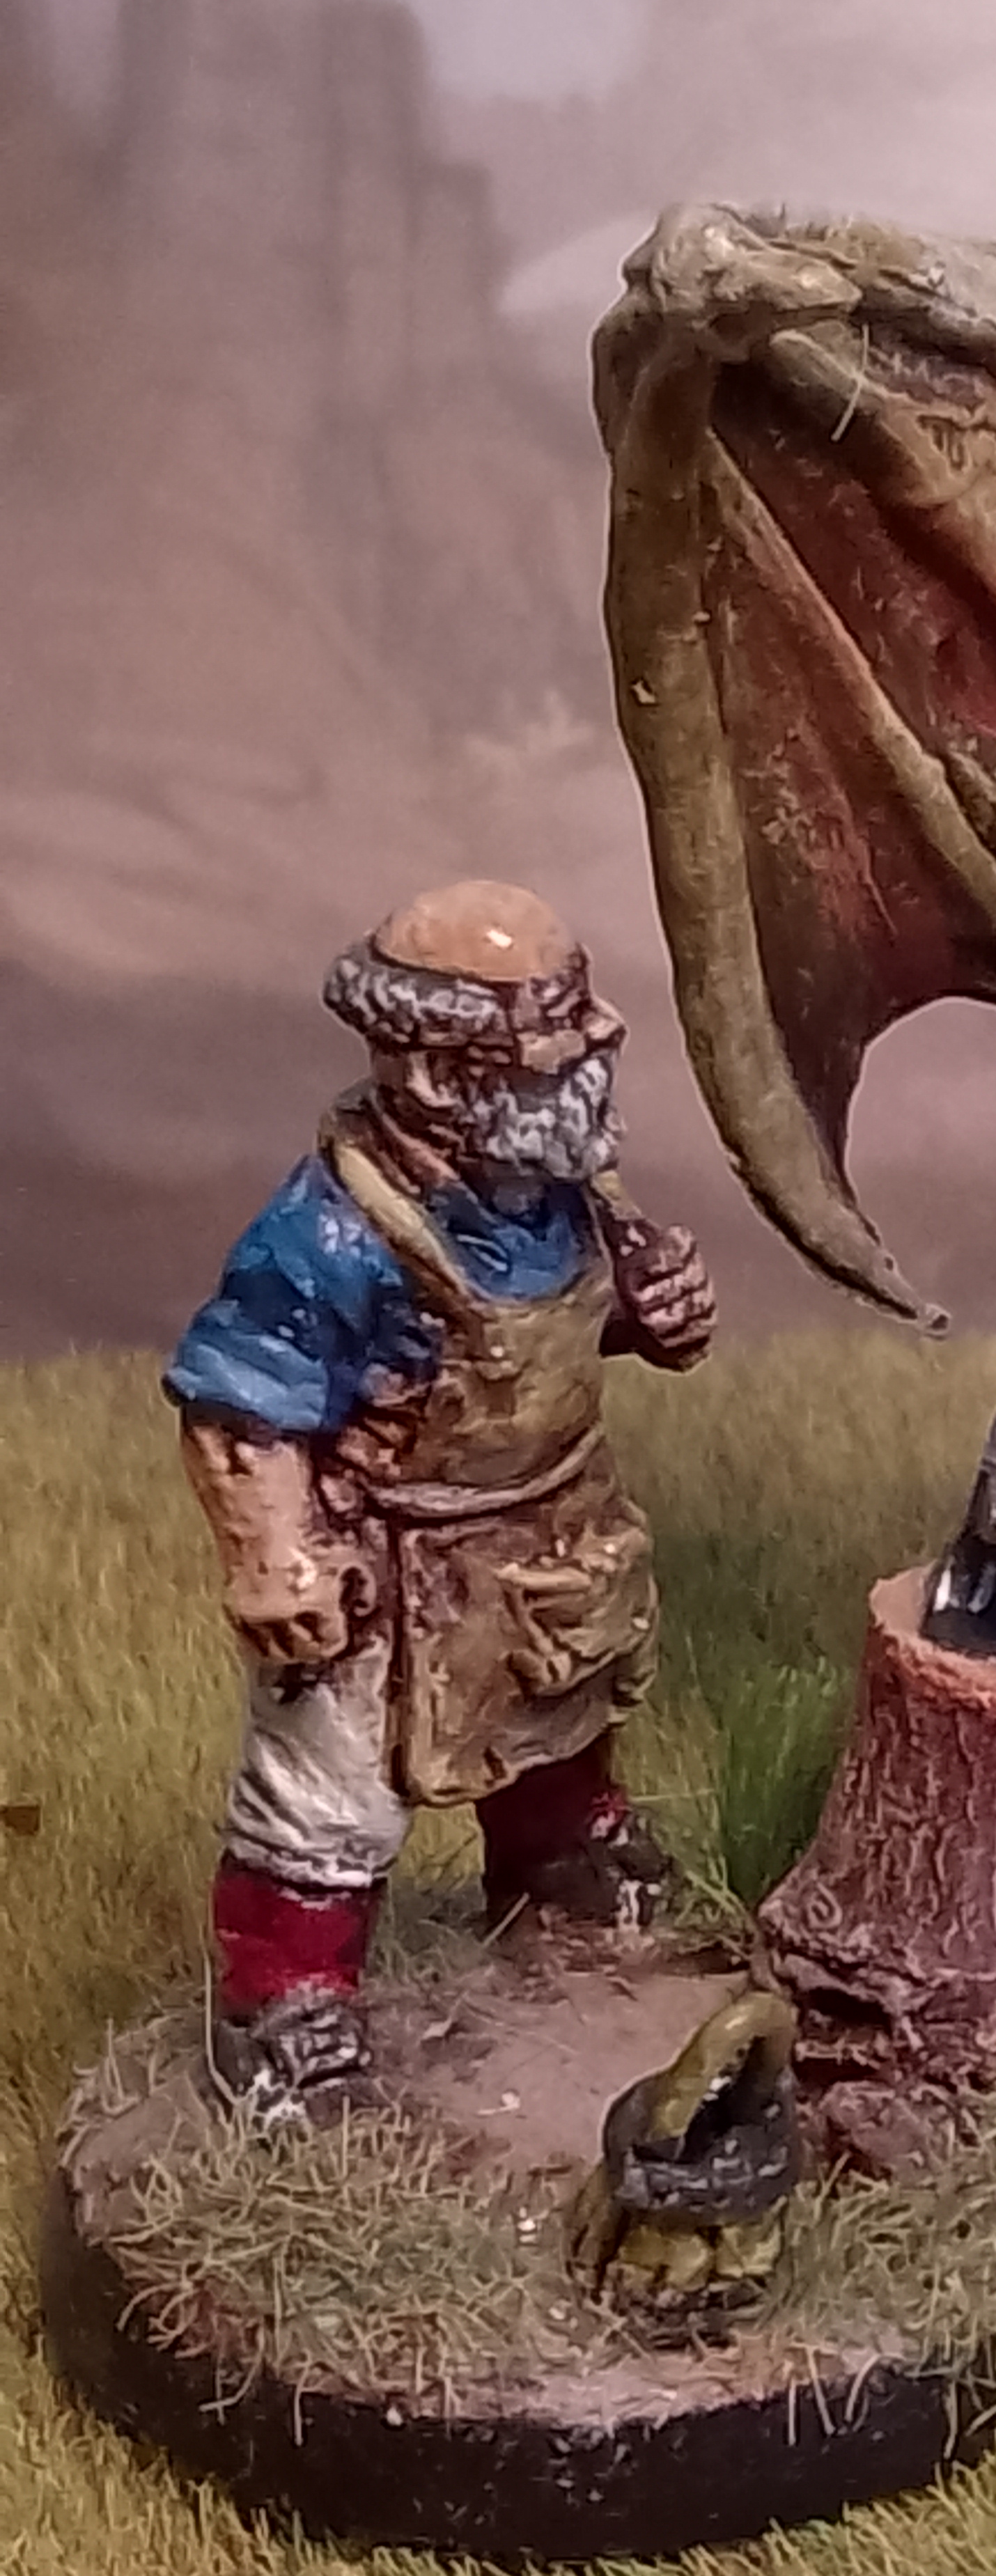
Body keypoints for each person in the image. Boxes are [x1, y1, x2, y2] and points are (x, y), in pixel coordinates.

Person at [166, 880, 715, 2120]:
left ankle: (558, 1875)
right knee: (331, 1798)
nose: (594, 1047)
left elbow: (566, 1326)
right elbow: (241, 1406)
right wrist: (276, 1555)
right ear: (434, 1070)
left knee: (559, 1711)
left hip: (550, 1533)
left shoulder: (563, 1189)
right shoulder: (332, 1237)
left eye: (583, 1018)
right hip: (389, 1561)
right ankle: (286, 2000)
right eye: (552, 1034)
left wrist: (648, 1316)